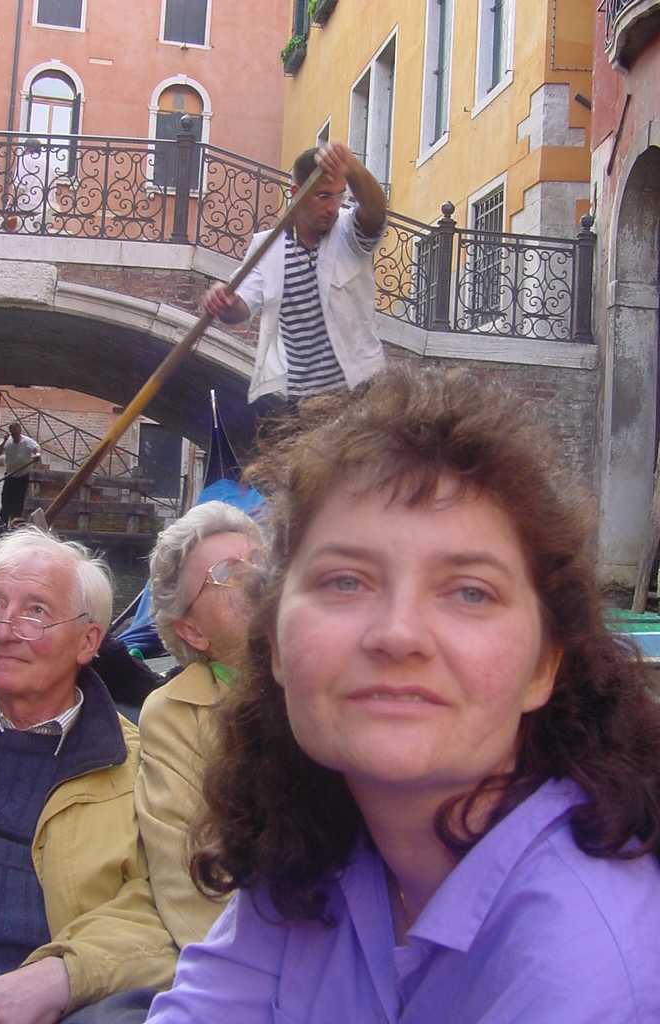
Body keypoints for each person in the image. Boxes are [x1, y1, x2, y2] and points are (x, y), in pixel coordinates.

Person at [148, 367, 660, 1023]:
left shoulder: (588, 969)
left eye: (470, 592)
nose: (398, 634)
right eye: (345, 582)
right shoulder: (317, 851)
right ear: (274, 644)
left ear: (543, 668)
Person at [0, 527, 176, 1024]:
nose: (3, 631)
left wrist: (64, 975)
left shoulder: (143, 767)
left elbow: (167, 914)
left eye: (35, 611)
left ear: (88, 641)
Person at [135, 501, 263, 951]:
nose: (257, 577)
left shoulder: (340, 675)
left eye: (261, 560)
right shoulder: (173, 716)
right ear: (191, 631)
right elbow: (195, 890)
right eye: (228, 573)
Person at [201, 142, 387, 407]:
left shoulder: (350, 232)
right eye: (323, 196)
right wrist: (224, 302)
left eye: (339, 195)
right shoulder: (267, 248)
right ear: (296, 193)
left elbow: (376, 212)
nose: (333, 207)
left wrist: (352, 166)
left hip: (361, 392)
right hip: (304, 400)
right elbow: (238, 310)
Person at [0, 421, 40, 524]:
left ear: (20, 432)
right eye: (12, 434)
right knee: (5, 502)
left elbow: (36, 449)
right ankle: (3, 524)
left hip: (22, 477)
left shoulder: (27, 442)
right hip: (10, 475)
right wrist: (4, 441)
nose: (14, 436)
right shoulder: (8, 442)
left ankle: (15, 523)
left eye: (16, 434)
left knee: (18, 503)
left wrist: (37, 455)